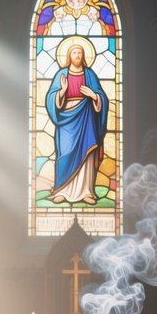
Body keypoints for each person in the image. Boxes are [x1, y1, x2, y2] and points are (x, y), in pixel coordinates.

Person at [45, 42, 108, 204]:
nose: (78, 55)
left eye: (80, 52)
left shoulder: (90, 75)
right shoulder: (62, 74)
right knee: (65, 153)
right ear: (68, 56)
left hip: (86, 117)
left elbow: (102, 97)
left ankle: (86, 191)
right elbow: (51, 98)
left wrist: (94, 96)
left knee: (86, 153)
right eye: (74, 53)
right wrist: (62, 91)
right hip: (66, 120)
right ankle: (62, 190)